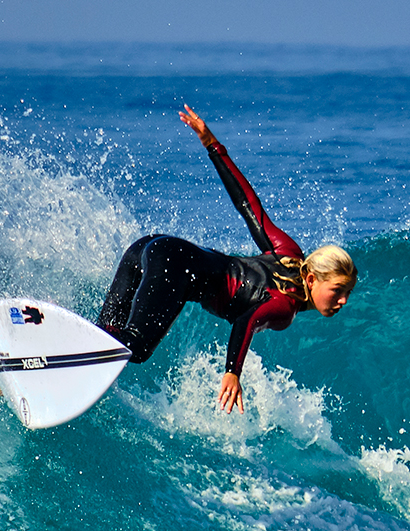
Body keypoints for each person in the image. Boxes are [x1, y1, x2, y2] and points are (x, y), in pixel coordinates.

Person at [96, 106, 356, 412]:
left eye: (347, 293)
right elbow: (247, 321)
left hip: (153, 246)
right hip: (175, 266)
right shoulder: (285, 305)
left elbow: (248, 204)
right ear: (312, 280)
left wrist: (212, 144)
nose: (342, 301)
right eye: (337, 290)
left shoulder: (287, 251)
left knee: (105, 334)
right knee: (135, 348)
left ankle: (48, 342)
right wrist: (233, 371)